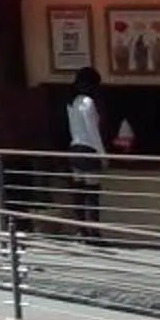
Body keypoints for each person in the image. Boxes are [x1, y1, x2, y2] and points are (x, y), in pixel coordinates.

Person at [62, 69, 108, 242]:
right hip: (89, 150)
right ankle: (94, 234)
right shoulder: (88, 102)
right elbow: (93, 132)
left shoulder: (71, 102)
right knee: (92, 193)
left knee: (79, 192)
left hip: (74, 148)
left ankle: (81, 230)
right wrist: (102, 155)